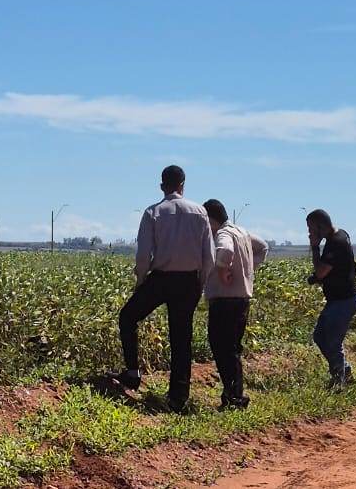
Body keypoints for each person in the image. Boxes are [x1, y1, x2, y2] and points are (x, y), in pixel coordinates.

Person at [110, 165, 215, 413]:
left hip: (161, 278)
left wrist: (141, 282)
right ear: (183, 185)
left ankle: (133, 372)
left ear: (162, 186)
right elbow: (209, 255)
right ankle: (178, 397)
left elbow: (144, 254)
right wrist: (200, 282)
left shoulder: (153, 212)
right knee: (181, 337)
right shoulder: (200, 212)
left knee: (128, 317)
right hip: (189, 280)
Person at [203, 199, 268, 409]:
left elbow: (225, 251)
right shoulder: (241, 231)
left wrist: (223, 271)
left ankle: (234, 397)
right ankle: (234, 394)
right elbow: (263, 247)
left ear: (210, 219)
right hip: (241, 299)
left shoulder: (222, 234)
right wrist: (247, 270)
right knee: (232, 349)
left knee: (221, 347)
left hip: (224, 299)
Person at [306, 209, 356, 389]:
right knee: (320, 336)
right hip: (341, 299)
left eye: (312, 229)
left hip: (343, 301)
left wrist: (315, 246)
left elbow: (322, 270)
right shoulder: (340, 235)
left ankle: (339, 381)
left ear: (321, 226)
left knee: (331, 341)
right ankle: (345, 372)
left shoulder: (335, 242)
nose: (310, 233)